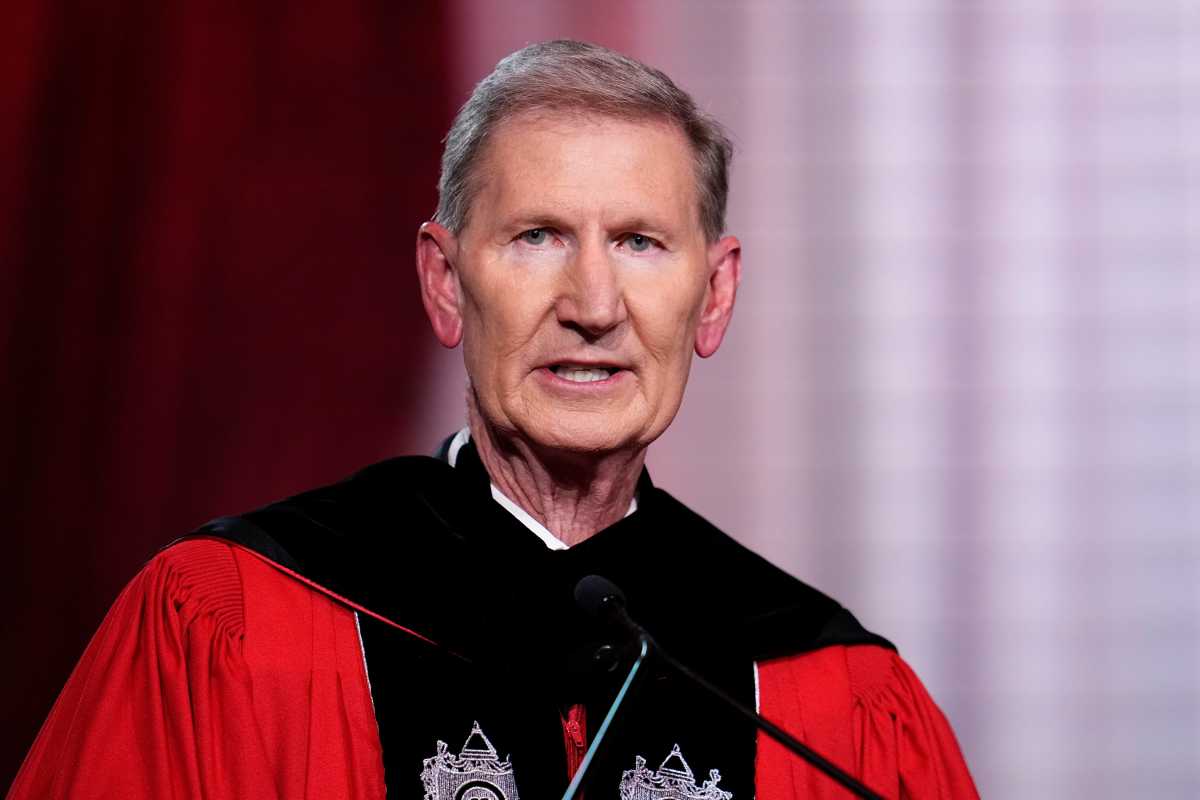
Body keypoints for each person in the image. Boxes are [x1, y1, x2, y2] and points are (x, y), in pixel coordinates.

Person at [8, 41, 978, 800]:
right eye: (538, 236)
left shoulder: (824, 693)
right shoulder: (234, 624)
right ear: (445, 282)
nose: (593, 302)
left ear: (714, 295)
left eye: (640, 242)